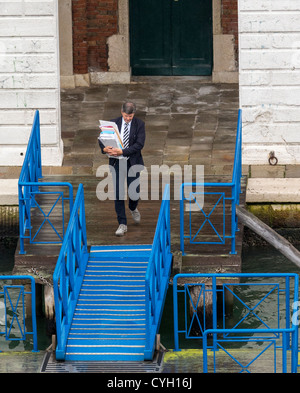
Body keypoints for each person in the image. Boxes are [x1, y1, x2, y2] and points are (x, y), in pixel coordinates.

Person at [98, 101, 145, 236]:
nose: (128, 119)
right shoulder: (113, 123)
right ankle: (122, 224)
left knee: (134, 192)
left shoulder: (140, 124)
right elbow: (102, 139)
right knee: (118, 193)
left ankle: (133, 207)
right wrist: (104, 148)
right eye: (126, 116)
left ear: (134, 114)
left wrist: (122, 152)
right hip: (117, 163)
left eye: (130, 116)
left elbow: (139, 144)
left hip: (133, 162)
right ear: (121, 112)